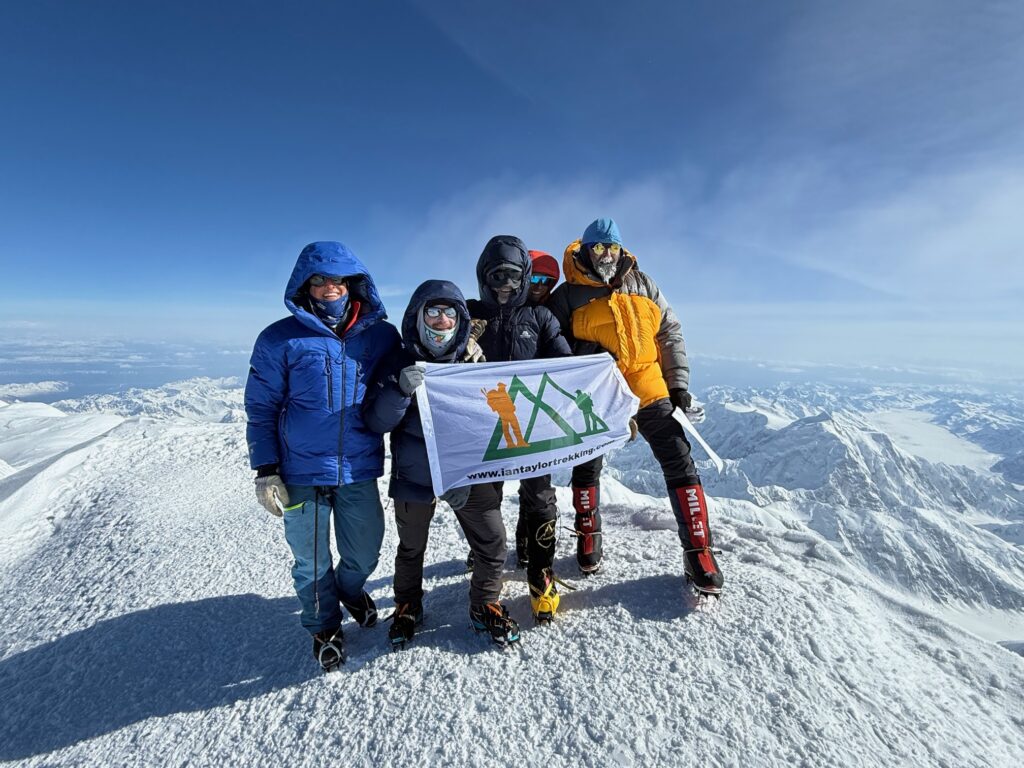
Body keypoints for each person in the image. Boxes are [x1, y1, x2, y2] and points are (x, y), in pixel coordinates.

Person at [245, 241, 401, 671]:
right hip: (299, 470)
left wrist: (467, 349)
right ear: (305, 286)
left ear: (353, 283)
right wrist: (266, 469)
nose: (329, 287)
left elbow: (414, 373)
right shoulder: (279, 339)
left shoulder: (382, 335)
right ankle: (324, 625)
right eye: (319, 280)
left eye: (337, 279)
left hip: (358, 465)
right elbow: (261, 407)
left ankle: (351, 590)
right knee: (311, 561)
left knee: (365, 552)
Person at [547, 218, 725, 597]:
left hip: (648, 385)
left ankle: (699, 550)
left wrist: (676, 385)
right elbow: (552, 345)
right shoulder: (567, 296)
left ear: (621, 249)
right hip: (599, 390)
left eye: (612, 248)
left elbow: (669, 331)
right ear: (584, 251)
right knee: (588, 460)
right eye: (598, 248)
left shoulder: (642, 283)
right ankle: (588, 533)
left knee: (678, 456)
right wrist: (588, 355)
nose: (606, 255)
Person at [362, 280, 521, 647]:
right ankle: (407, 606)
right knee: (412, 546)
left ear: (460, 319)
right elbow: (377, 421)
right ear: (418, 316)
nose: (441, 321)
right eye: (432, 312)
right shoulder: (399, 360)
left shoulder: (472, 359)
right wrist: (399, 390)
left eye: (449, 313)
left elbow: (495, 414)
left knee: (492, 540)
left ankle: (485, 604)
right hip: (415, 475)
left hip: (465, 471)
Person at [466, 235, 573, 622]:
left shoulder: (540, 317)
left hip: (533, 428)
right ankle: (485, 559)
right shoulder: (470, 314)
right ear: (483, 277)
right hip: (484, 427)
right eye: (496, 276)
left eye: (513, 275)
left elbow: (567, 369)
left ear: (525, 276)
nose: (505, 285)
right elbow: (439, 351)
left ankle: (542, 574)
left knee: (540, 498)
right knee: (484, 501)